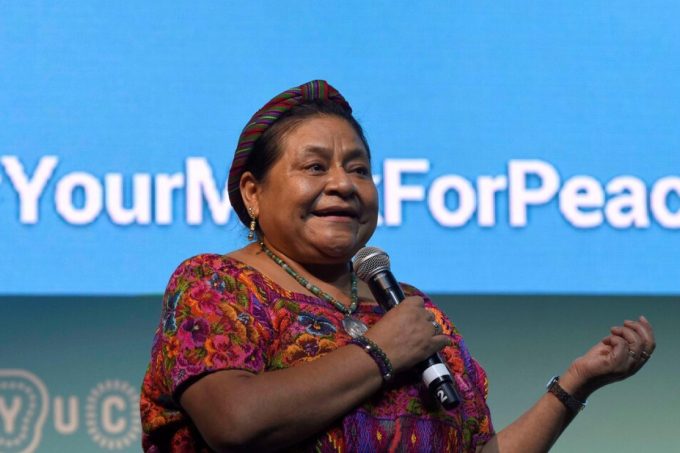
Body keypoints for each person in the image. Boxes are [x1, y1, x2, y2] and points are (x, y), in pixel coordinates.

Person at [140, 80, 655, 452]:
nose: (343, 184)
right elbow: (234, 421)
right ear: (253, 192)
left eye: (359, 169)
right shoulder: (217, 284)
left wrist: (574, 385)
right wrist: (379, 352)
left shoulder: (408, 308)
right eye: (315, 167)